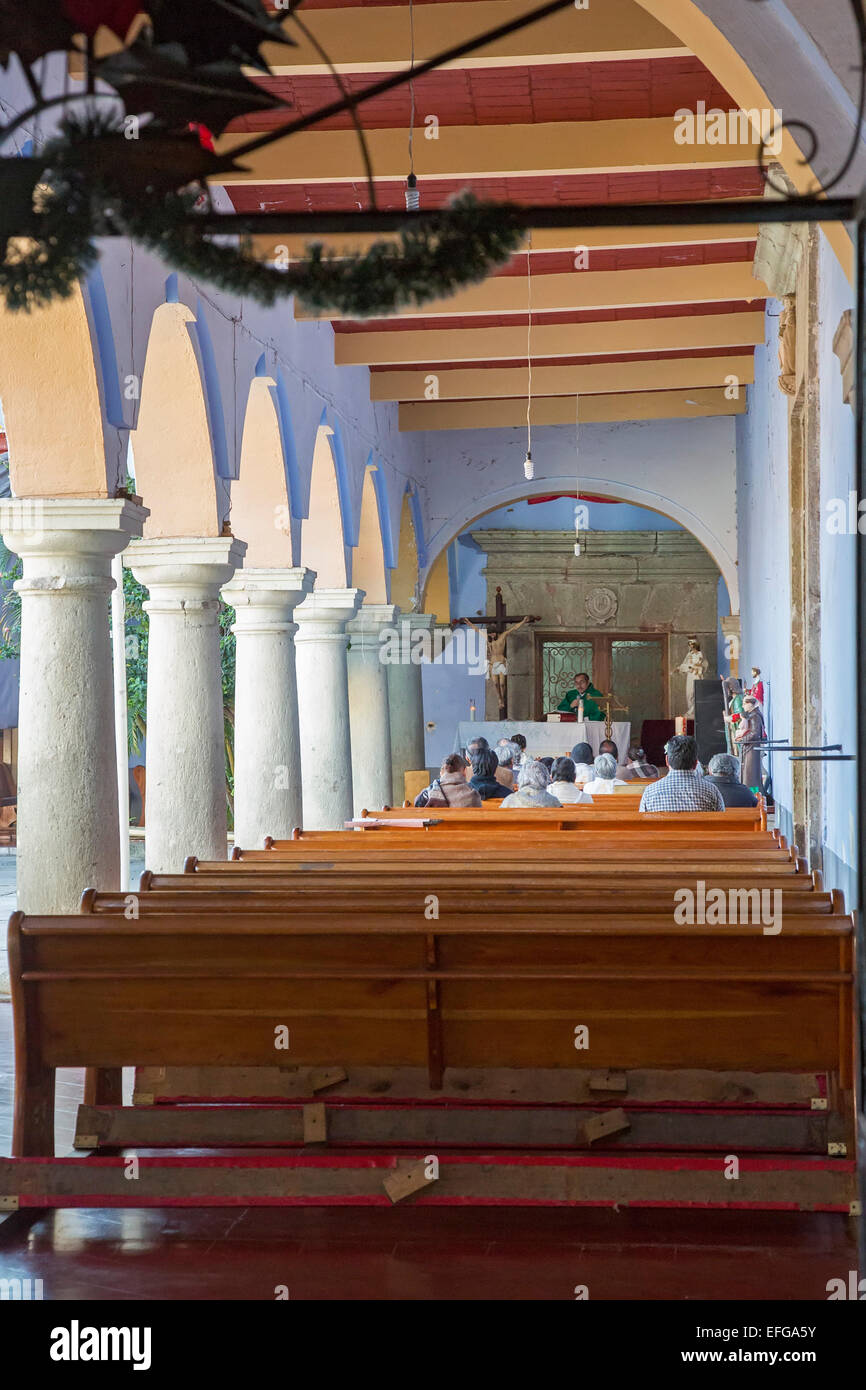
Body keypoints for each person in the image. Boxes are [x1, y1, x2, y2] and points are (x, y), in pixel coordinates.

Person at [638, 734, 725, 812]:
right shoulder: (711, 790)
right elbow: (721, 823)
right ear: (695, 764)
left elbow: (642, 826)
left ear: (667, 761)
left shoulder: (650, 792)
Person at [414, 753, 482, 808]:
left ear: (442, 772)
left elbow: (417, 804)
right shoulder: (473, 795)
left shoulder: (429, 792)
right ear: (464, 772)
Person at [730, 695, 766, 791]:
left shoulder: (755, 716)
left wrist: (743, 739)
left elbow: (755, 733)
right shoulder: (752, 715)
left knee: (750, 774)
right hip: (749, 747)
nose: (743, 706)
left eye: (744, 703)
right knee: (748, 773)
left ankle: (754, 793)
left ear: (750, 704)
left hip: (752, 748)